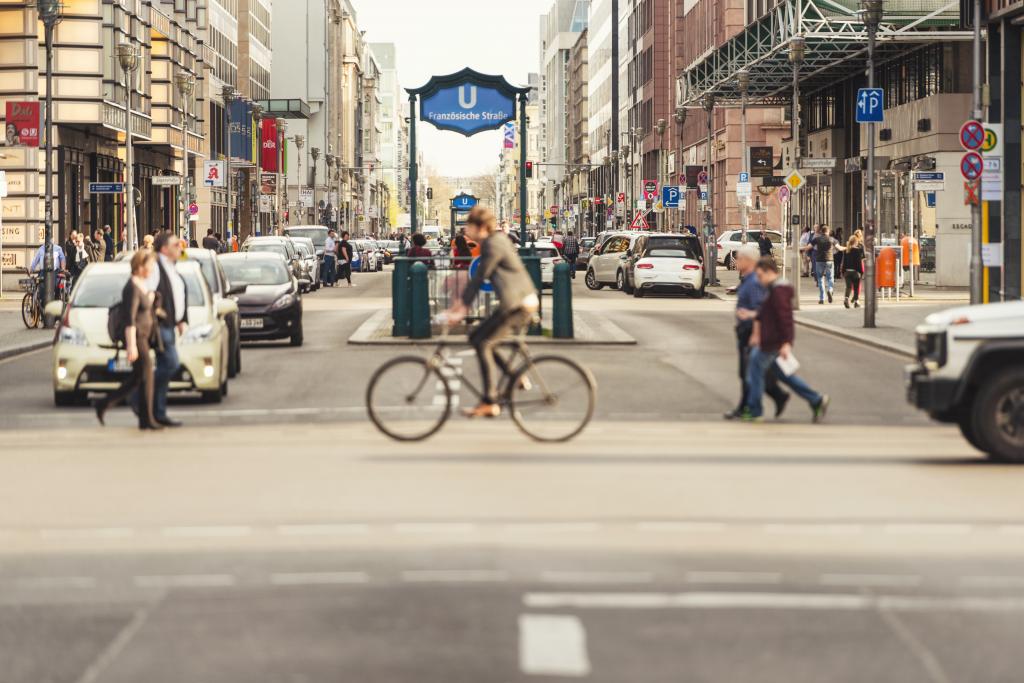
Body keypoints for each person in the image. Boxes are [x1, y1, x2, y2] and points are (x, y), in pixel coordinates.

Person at [444, 206, 539, 419]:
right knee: (477, 337)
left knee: (484, 342)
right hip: (513, 302)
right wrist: (459, 308)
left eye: (469, 225)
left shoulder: (493, 244)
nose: (466, 229)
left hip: (520, 304)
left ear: (481, 227)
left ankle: (489, 401)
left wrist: (460, 309)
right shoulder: (494, 241)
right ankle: (514, 377)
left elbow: (479, 277)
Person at [743, 257, 830, 423]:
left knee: (755, 370)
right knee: (785, 376)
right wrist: (753, 318)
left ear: (770, 272)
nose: (759, 280)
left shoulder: (778, 291)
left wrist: (786, 343)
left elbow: (785, 319)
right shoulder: (773, 289)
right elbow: (766, 314)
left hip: (772, 343)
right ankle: (816, 399)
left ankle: (755, 410)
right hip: (771, 342)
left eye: (760, 276)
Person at [93, 249, 162, 431]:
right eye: (150, 266)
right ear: (140, 267)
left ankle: (104, 404)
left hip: (144, 337)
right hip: (137, 338)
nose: (152, 269)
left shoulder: (141, 284)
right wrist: (131, 346)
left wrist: (151, 298)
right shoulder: (131, 287)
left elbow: (143, 307)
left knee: (137, 378)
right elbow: (129, 318)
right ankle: (147, 419)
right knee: (147, 376)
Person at [725, 245, 790, 421]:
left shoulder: (754, 281)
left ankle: (748, 408)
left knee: (750, 373)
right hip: (745, 331)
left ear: (748, 260)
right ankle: (775, 397)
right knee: (754, 372)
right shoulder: (748, 279)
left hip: (749, 332)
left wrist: (755, 334)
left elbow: (758, 310)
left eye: (738, 258)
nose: (736, 261)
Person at [143, 232, 187, 428]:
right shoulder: (156, 267)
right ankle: (139, 395)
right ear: (164, 249)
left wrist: (181, 319)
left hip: (170, 324)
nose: (180, 247)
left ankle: (158, 412)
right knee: (171, 363)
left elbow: (175, 294)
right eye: (176, 244)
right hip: (159, 325)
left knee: (167, 364)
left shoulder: (171, 266)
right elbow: (149, 294)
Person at [804, 224, 840, 304]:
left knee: (820, 279)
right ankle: (830, 290)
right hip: (829, 260)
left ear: (821, 231)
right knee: (830, 278)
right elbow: (839, 248)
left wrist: (800, 249)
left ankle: (822, 298)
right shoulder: (832, 239)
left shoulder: (817, 239)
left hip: (819, 261)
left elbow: (808, 247)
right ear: (828, 231)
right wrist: (848, 247)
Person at [843, 233, 865, 309]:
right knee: (856, 288)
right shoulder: (857, 251)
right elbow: (858, 263)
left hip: (847, 272)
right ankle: (856, 303)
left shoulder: (846, 250)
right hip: (855, 272)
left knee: (848, 287)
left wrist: (843, 272)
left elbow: (844, 262)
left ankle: (846, 298)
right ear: (856, 242)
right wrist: (861, 272)